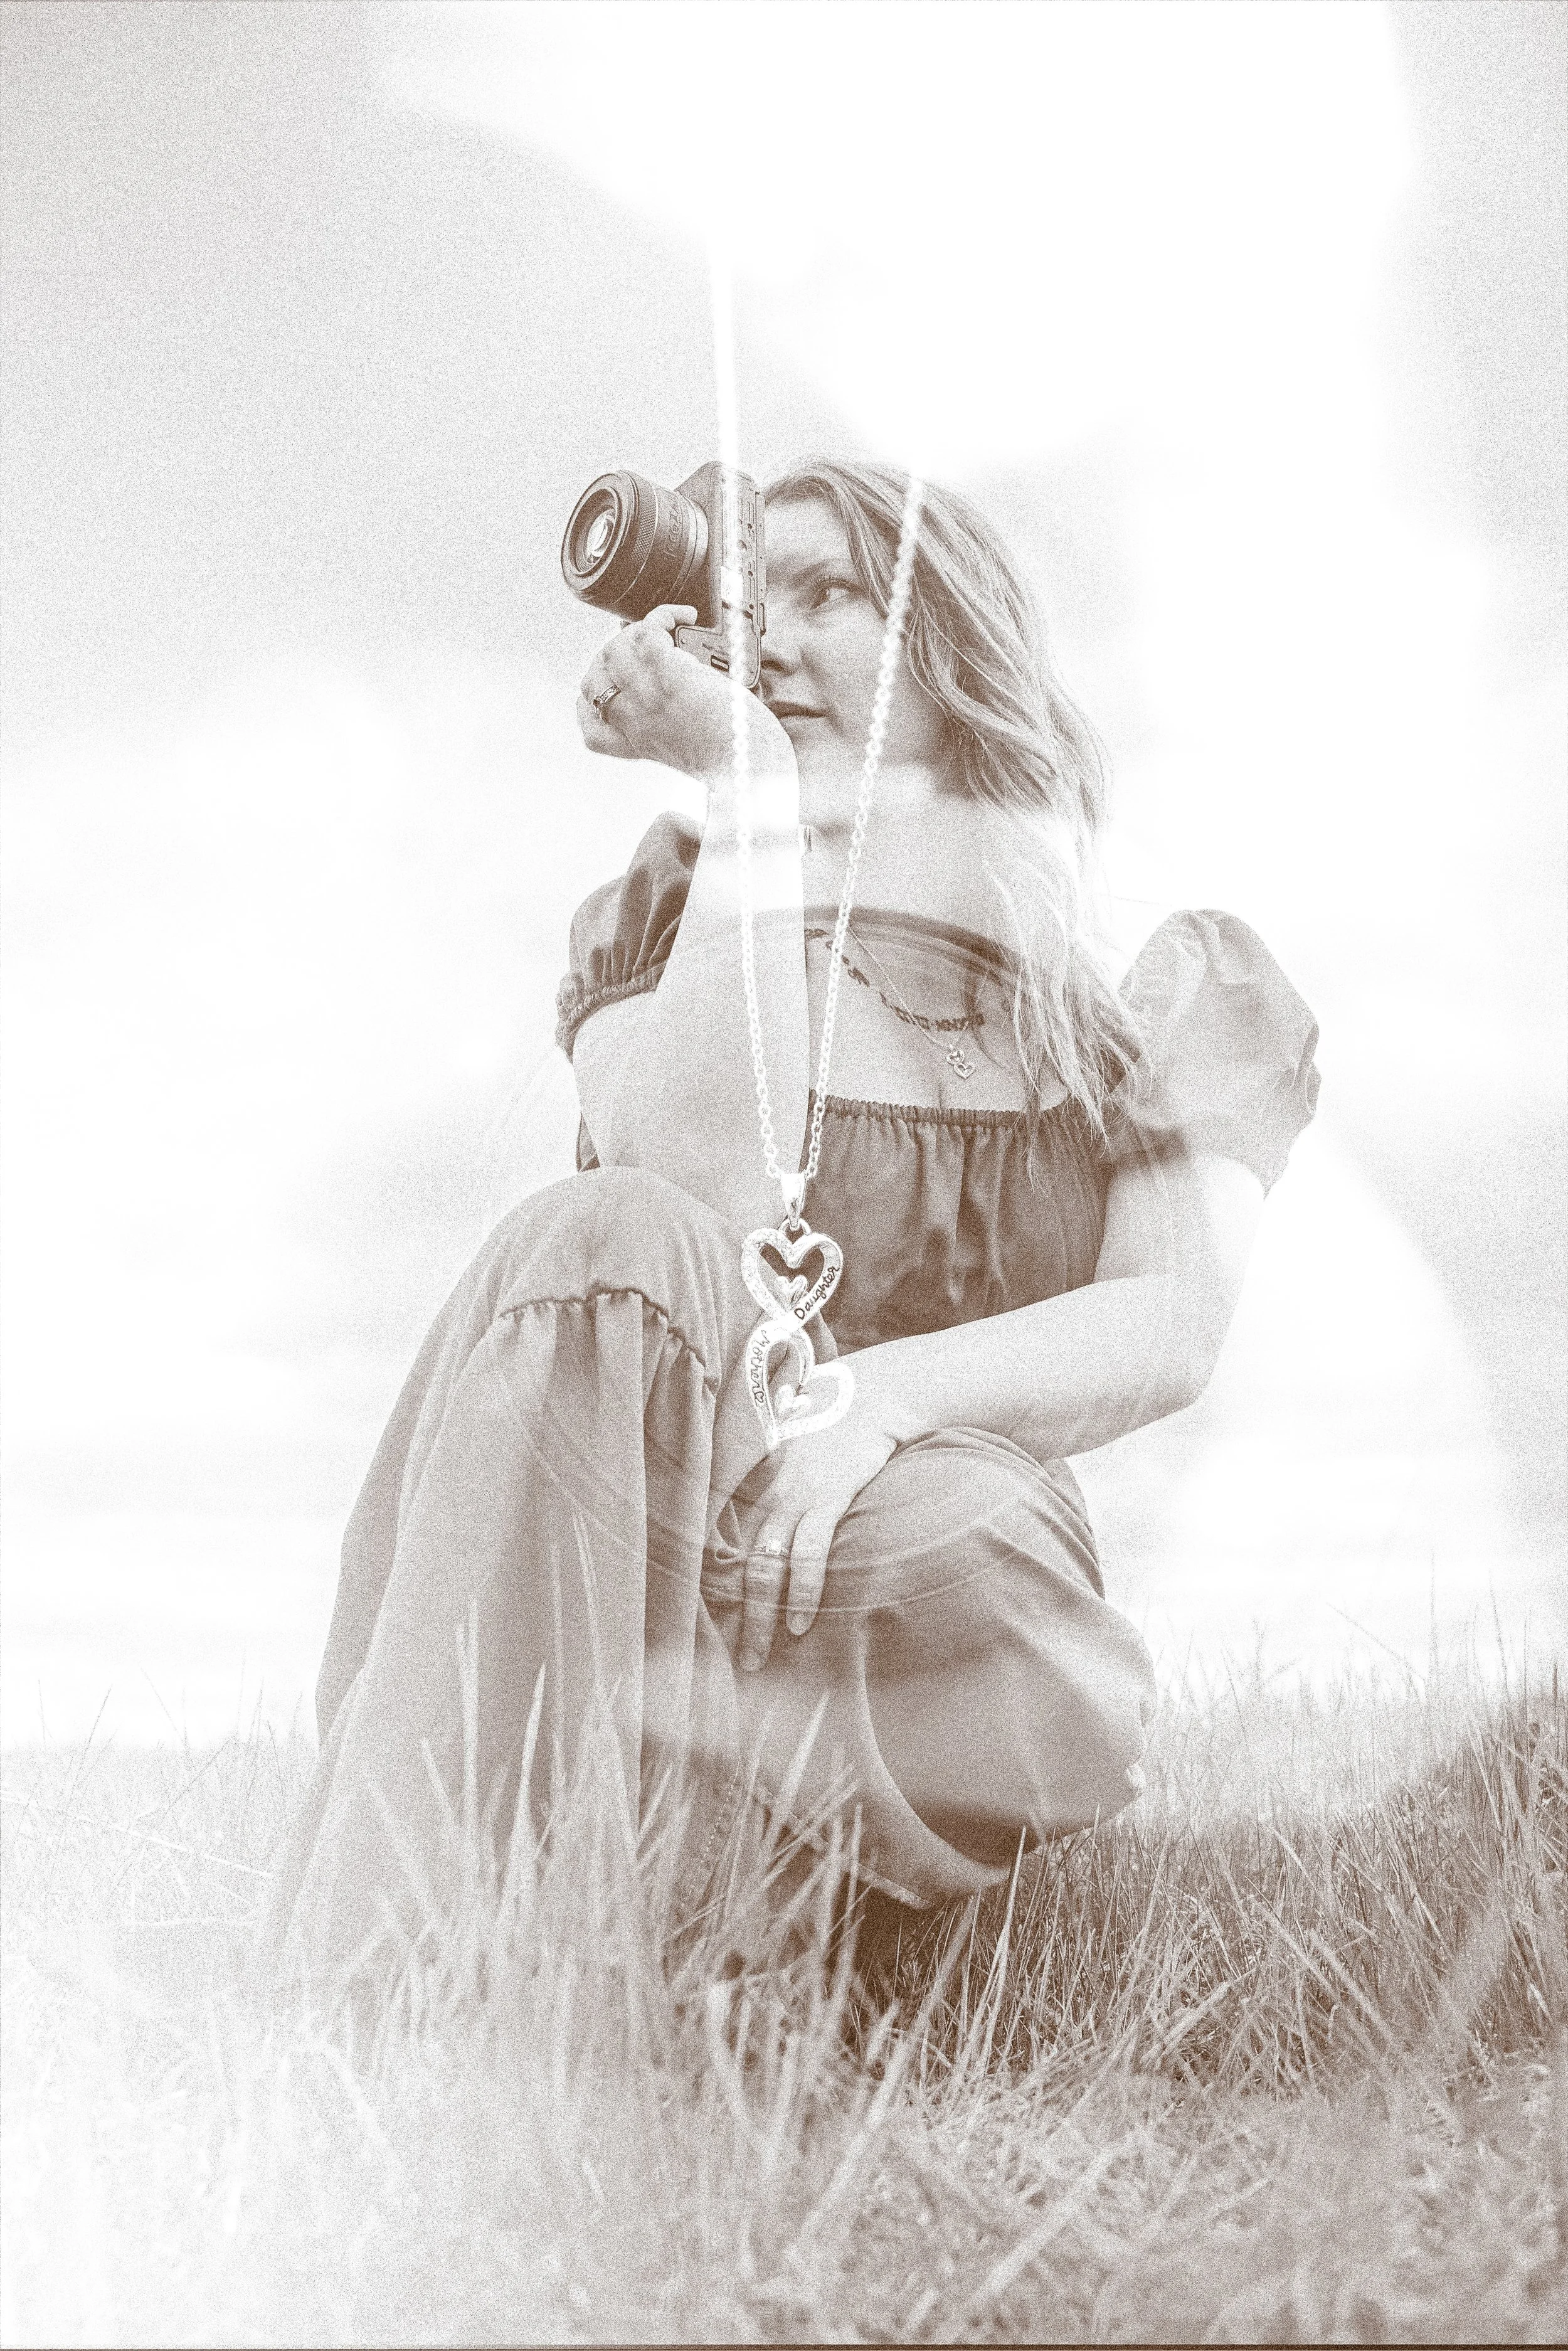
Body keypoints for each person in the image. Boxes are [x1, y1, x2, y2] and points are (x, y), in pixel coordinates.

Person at [265, 460, 1319, 1980]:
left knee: (957, 1537)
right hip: (661, 1533)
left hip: (931, 1559)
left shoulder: (1142, 968)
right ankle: (428, 1991)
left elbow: (1166, 1323)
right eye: (751, 601)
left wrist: (873, 1408)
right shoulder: (676, 909)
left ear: (954, 642)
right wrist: (743, 796)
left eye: (828, 594)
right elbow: (699, 1200)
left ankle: (635, 1927)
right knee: (590, 1238)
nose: (768, 641)